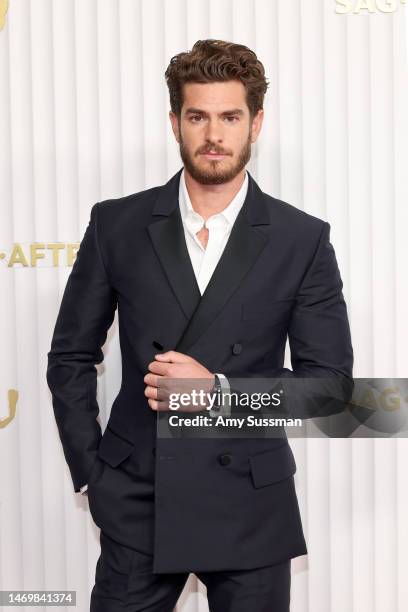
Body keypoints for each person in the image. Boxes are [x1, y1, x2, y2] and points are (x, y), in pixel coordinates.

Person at [46, 39, 353, 612]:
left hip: (250, 507)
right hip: (138, 498)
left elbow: (329, 392)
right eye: (198, 116)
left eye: (230, 116)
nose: (214, 134)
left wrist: (217, 393)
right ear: (175, 122)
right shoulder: (117, 224)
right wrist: (93, 473)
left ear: (255, 123)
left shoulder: (300, 239)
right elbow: (69, 357)